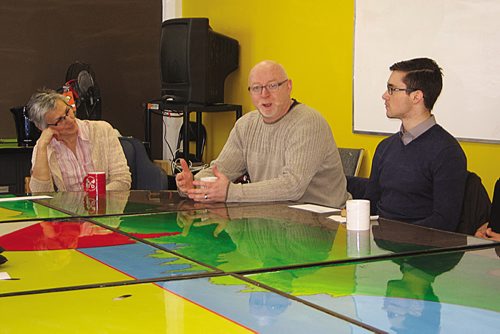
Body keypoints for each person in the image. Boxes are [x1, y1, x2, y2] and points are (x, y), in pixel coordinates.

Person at [176, 60, 349, 208]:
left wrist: (232, 192)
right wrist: (193, 185)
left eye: (273, 86)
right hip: (273, 223)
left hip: (322, 227)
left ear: (288, 86)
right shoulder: (246, 125)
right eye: (257, 88)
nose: (264, 95)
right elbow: (220, 171)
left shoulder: (308, 123)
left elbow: (293, 186)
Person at [364, 58, 467, 232]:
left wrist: (395, 237)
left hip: (418, 252)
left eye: (392, 89)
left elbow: (444, 221)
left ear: (416, 97)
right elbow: (370, 205)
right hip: (380, 247)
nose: (385, 95)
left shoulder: (447, 152)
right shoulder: (385, 147)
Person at [27, 89, 131, 192]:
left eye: (68, 111)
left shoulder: (102, 131)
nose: (69, 120)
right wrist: (41, 146)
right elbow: (40, 195)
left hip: (105, 205)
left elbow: (122, 180)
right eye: (59, 120)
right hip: (65, 208)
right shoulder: (43, 148)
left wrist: (91, 198)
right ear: (44, 128)